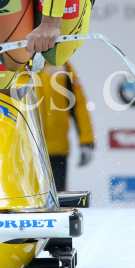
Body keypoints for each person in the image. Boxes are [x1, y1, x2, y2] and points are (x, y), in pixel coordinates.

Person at [36, 62, 94, 191]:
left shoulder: (62, 64)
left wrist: (86, 141)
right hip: (24, 150)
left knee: (57, 203)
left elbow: (79, 105)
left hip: (57, 150)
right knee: (23, 203)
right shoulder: (15, 62)